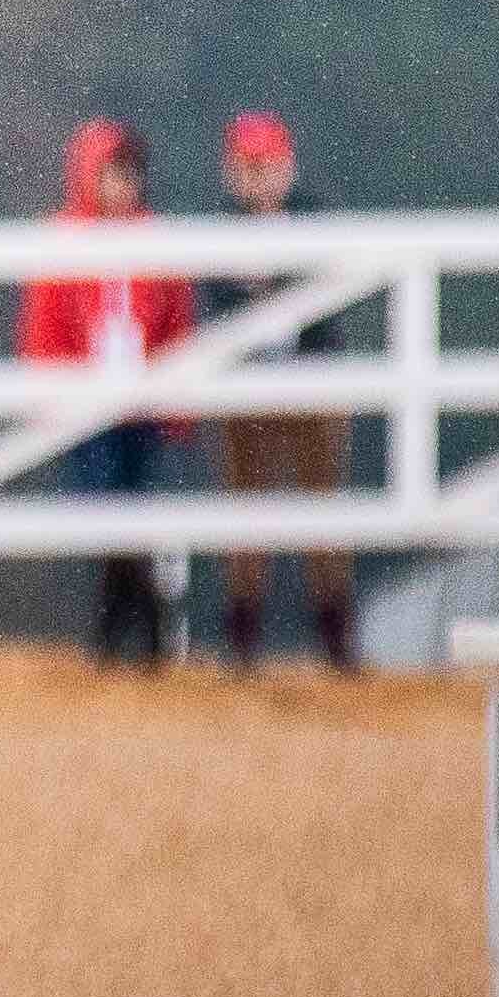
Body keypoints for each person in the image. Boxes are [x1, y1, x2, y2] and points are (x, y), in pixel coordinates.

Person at [25, 115, 195, 665]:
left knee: (135, 506)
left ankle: (125, 626)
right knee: (102, 508)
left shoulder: (155, 238)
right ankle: (136, 618)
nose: (123, 185)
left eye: (129, 174)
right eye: (111, 174)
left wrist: (176, 397)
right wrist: (50, 395)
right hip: (86, 404)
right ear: (88, 177)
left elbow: (176, 319)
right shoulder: (65, 239)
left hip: (141, 403)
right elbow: (44, 327)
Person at [205, 108, 362, 672]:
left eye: (267, 164)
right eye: (249, 166)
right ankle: (243, 642)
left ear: (287, 166)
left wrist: (273, 283)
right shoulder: (220, 229)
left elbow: (336, 295)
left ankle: (337, 642)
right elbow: (215, 304)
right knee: (246, 515)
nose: (259, 176)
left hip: (311, 380)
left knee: (323, 512)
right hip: (246, 387)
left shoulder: (314, 220)